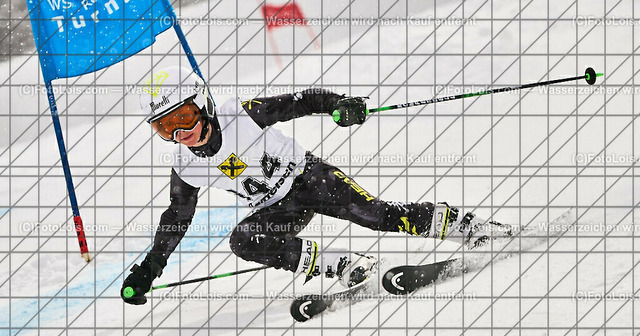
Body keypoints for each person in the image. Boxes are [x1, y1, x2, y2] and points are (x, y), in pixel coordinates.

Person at [120, 66, 511, 305]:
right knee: (244, 240)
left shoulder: (239, 114)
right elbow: (175, 219)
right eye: (166, 128)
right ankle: (348, 267)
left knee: (374, 215)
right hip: (277, 208)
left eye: (184, 118)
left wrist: (339, 104)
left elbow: (300, 101)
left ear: (202, 104)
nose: (181, 133)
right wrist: (148, 270)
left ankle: (466, 227)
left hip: (309, 178)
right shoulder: (186, 166)